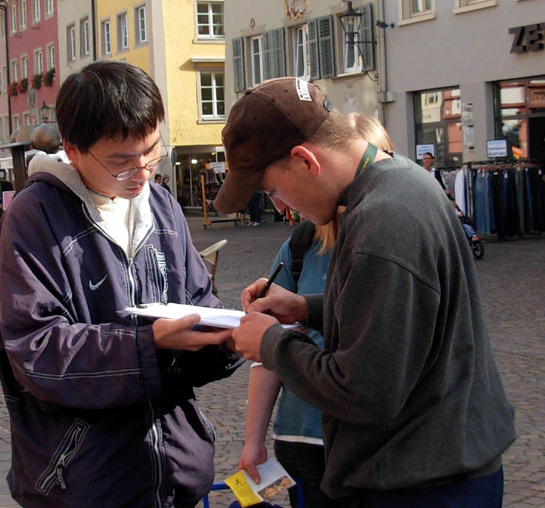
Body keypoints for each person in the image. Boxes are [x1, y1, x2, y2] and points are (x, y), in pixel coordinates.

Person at [215, 77, 515, 507]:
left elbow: (363, 392)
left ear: (305, 160)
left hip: (420, 485)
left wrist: (271, 344)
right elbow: (406, 317)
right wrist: (306, 308)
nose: (280, 207)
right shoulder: (401, 179)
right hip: (439, 468)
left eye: (273, 190)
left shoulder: (382, 219)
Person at [0, 61, 242, 508]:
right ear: (73, 150)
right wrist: (149, 343)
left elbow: (198, 300)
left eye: (152, 152)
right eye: (122, 162)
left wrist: (226, 337)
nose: (143, 173)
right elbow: (36, 351)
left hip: (176, 475)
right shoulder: (35, 216)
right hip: (85, 482)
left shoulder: (162, 205)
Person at [238, 113, 394, 508]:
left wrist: (276, 335)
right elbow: (267, 356)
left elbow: (373, 368)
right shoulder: (300, 246)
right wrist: (253, 440)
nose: (280, 206)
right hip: (302, 436)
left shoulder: (385, 237)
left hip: (369, 445)